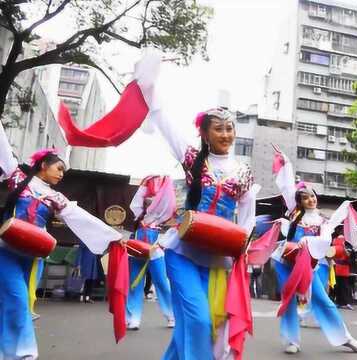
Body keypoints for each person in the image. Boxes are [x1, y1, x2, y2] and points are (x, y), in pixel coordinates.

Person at [143, 104, 260, 359]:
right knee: (199, 321)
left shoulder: (244, 172)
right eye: (218, 129)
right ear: (205, 134)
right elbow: (167, 125)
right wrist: (150, 90)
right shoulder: (192, 159)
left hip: (217, 260)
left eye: (230, 128)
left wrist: (243, 250)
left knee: (192, 326)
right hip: (181, 252)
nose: (226, 134)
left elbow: (247, 219)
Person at [0, 123, 125, 359]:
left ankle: (7, 352)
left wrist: (114, 236)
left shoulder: (55, 197)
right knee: (17, 299)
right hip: (5, 251)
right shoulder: (18, 178)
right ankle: (26, 352)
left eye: (63, 172)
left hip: (30, 255)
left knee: (11, 302)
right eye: (58, 169)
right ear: (43, 165)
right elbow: (3, 148)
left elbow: (82, 218)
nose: (60, 174)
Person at [270, 148, 357, 354]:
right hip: (285, 261)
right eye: (305, 198)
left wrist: (307, 239)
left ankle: (344, 337)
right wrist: (285, 162)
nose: (310, 200)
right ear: (299, 201)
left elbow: (324, 240)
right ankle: (291, 340)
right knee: (288, 299)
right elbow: (287, 185)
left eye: (312, 196)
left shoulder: (323, 221)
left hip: (306, 266)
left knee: (322, 299)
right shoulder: (293, 213)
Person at [126, 175, 176, 330]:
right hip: (138, 247)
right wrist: (144, 185)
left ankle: (171, 315)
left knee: (161, 281)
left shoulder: (164, 213)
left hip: (156, 248)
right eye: (149, 200)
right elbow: (135, 205)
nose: (151, 202)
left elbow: (171, 219)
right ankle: (133, 317)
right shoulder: (139, 213)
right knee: (134, 282)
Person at [332, 235, 353, 310]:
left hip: (344, 270)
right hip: (337, 269)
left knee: (345, 287)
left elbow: (348, 255)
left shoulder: (348, 247)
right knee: (338, 287)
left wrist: (344, 248)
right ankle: (338, 302)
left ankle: (347, 302)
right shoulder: (335, 247)